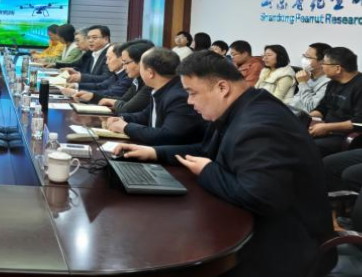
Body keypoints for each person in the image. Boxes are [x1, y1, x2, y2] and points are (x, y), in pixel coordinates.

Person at [113, 51, 336, 277]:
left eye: (192, 93)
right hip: (255, 224)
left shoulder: (260, 126)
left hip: (283, 249)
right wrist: (154, 153)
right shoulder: (240, 106)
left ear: (222, 87)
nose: (189, 101)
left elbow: (261, 197)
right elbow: (205, 150)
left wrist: (208, 170)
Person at [104, 47, 205, 145]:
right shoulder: (161, 88)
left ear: (150, 73)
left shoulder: (178, 96)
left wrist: (125, 128)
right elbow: (145, 115)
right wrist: (120, 118)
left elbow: (168, 136)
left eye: (141, 67)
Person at [309, 47, 362, 157]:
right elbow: (323, 107)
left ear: (338, 68)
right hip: (326, 128)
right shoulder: (333, 83)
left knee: (307, 146)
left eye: (324, 63)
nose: (322, 66)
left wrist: (328, 127)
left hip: (344, 135)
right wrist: (308, 117)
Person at [98, 41, 154, 114]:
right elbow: (125, 99)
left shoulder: (150, 84)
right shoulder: (136, 79)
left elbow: (127, 108)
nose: (124, 67)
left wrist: (114, 103)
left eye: (126, 63)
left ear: (142, 62)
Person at [64, 44, 130, 103]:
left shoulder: (128, 76)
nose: (107, 62)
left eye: (109, 58)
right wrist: (76, 86)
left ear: (121, 59)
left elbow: (111, 93)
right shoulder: (117, 74)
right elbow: (101, 86)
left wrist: (77, 92)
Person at [289, 42, 332, 113]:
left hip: (301, 117)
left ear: (322, 62)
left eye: (308, 57)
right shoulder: (308, 76)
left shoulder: (328, 83)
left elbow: (311, 108)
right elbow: (295, 101)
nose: (304, 59)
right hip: (290, 112)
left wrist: (302, 83)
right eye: (304, 55)